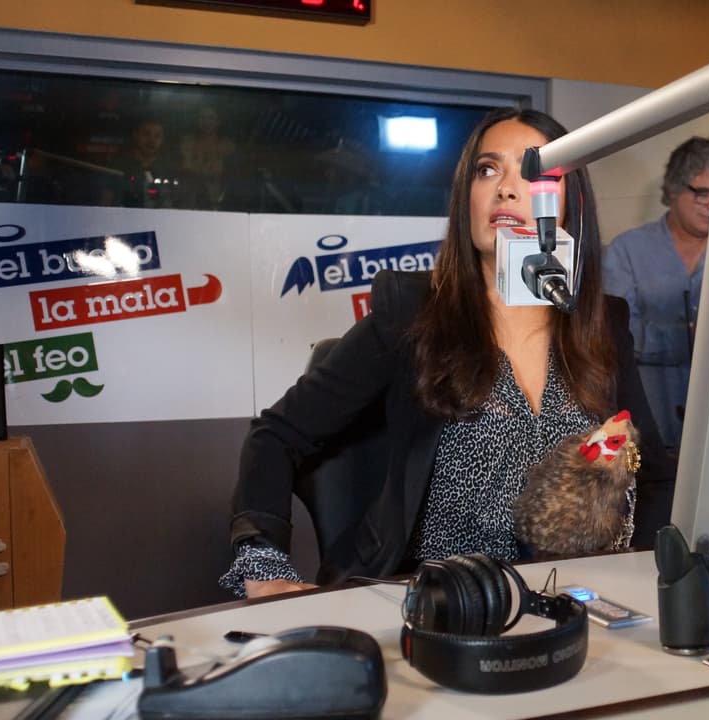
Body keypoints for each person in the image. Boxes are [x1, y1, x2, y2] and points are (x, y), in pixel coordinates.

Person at [222, 108, 675, 599]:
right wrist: (261, 559)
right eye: (487, 170)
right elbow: (276, 435)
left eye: (535, 173)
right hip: (445, 605)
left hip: (578, 602)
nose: (506, 188)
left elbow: (648, 469)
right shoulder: (411, 316)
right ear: (467, 200)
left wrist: (641, 576)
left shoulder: (604, 325)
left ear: (569, 205)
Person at [603, 137, 709, 448]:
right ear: (674, 189)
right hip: (641, 423)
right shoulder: (627, 251)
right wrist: (692, 336)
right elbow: (613, 335)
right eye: (703, 192)